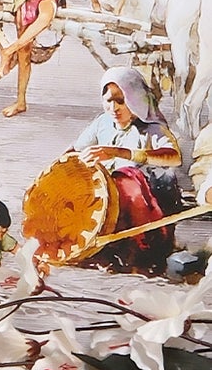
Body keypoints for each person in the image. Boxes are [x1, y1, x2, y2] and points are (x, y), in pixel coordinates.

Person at [74, 68, 183, 271]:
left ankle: (139, 252)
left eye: (121, 101)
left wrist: (119, 153)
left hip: (147, 210)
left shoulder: (151, 128)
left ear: (135, 100)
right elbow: (75, 150)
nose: (113, 108)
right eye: (108, 101)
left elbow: (174, 157)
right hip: (109, 206)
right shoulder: (103, 123)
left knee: (126, 179)